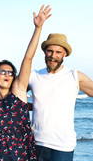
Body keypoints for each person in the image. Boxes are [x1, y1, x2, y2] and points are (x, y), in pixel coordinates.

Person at [0, 5, 52, 160]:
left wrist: (38, 28)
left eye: (11, 73)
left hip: (22, 152)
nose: (7, 75)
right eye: (3, 72)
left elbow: (28, 58)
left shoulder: (18, 89)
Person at [29, 32, 93, 160]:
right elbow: (13, 95)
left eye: (58, 52)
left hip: (62, 147)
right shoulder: (33, 76)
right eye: (50, 51)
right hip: (36, 144)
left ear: (64, 54)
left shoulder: (74, 76)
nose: (53, 56)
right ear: (44, 52)